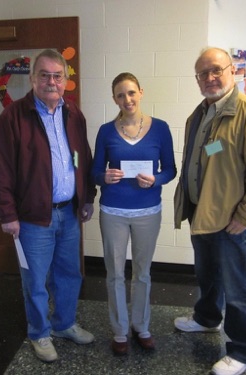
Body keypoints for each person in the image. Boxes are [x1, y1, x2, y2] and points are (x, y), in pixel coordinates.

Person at [173, 47, 246, 375]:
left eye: (216, 70)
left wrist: (245, 216)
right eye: (203, 73)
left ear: (232, 71)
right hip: (203, 214)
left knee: (238, 288)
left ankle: (242, 351)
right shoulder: (199, 114)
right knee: (208, 277)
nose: (210, 78)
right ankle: (207, 319)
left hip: (233, 223)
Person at [0, 49, 96, 363]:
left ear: (65, 80)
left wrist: (86, 196)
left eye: (57, 76)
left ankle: (64, 324)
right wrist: (7, 214)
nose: (51, 81)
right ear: (33, 78)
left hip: (69, 213)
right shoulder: (13, 117)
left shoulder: (74, 114)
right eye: (45, 75)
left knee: (69, 274)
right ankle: (40, 333)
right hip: (33, 218)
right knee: (35, 280)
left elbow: (81, 158)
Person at [92, 72, 176, 355]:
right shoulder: (105, 131)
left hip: (148, 211)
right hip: (113, 210)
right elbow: (94, 171)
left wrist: (157, 179)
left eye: (131, 93)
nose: (126, 99)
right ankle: (119, 331)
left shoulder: (161, 128)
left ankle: (141, 326)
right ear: (114, 99)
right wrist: (105, 176)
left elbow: (170, 169)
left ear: (141, 92)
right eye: (119, 95)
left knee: (142, 273)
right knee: (115, 273)